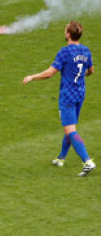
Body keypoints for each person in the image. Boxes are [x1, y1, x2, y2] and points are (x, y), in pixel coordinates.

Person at [23, 21, 95, 176]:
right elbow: (91, 71)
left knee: (70, 130)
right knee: (70, 127)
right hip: (80, 94)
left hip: (67, 96)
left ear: (68, 34)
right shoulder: (86, 50)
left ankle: (87, 161)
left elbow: (49, 73)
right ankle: (61, 158)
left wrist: (32, 77)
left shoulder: (65, 52)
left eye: (65, 30)